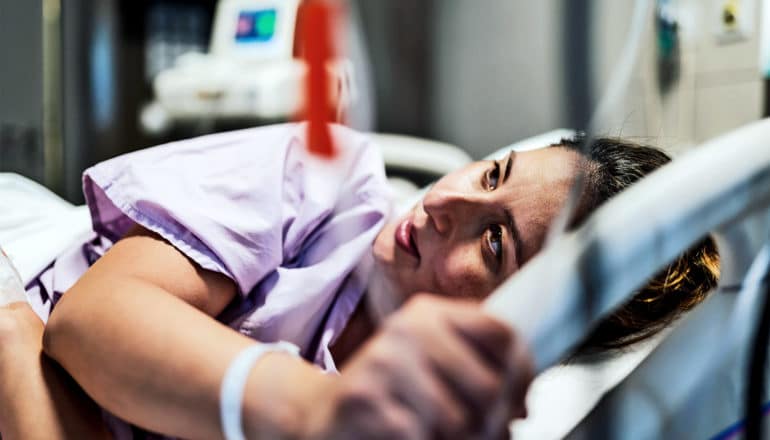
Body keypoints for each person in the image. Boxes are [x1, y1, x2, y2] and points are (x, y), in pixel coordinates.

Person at [0, 124, 718, 439]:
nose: (444, 203)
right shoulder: (323, 178)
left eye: (493, 242)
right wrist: (319, 411)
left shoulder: (435, 422)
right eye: (493, 173)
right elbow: (90, 322)